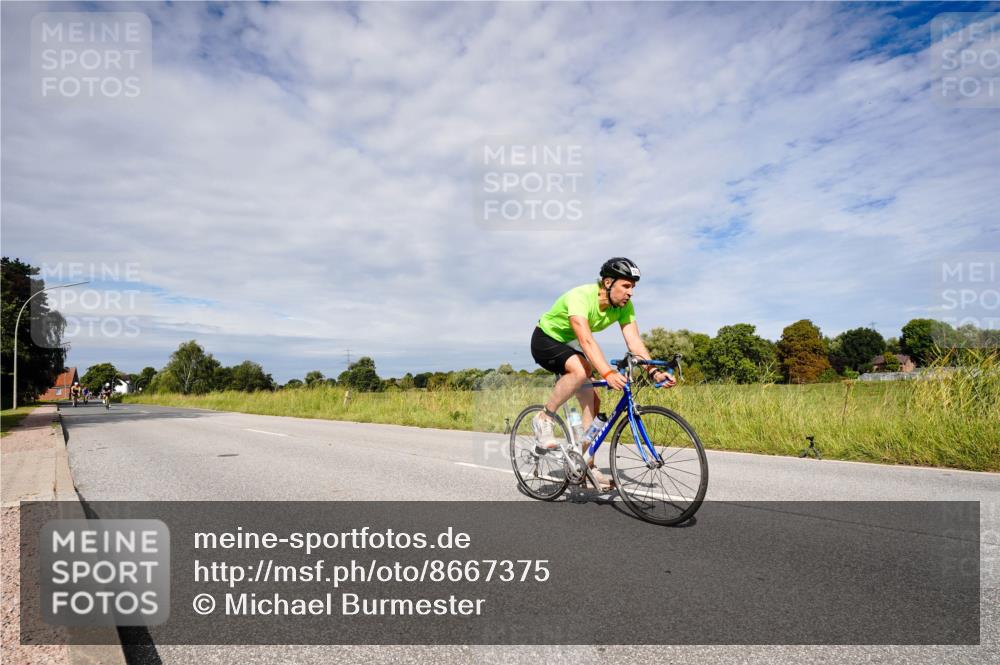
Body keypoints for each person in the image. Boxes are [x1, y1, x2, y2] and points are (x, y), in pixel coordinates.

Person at [530, 257, 676, 489]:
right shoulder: (580, 297)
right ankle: (544, 418)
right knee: (581, 371)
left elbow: (634, 341)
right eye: (626, 286)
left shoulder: (624, 307)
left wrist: (654, 372)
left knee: (592, 400)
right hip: (546, 339)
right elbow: (586, 340)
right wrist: (607, 372)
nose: (631, 293)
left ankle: (586, 462)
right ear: (608, 282)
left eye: (633, 287)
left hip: (570, 344)